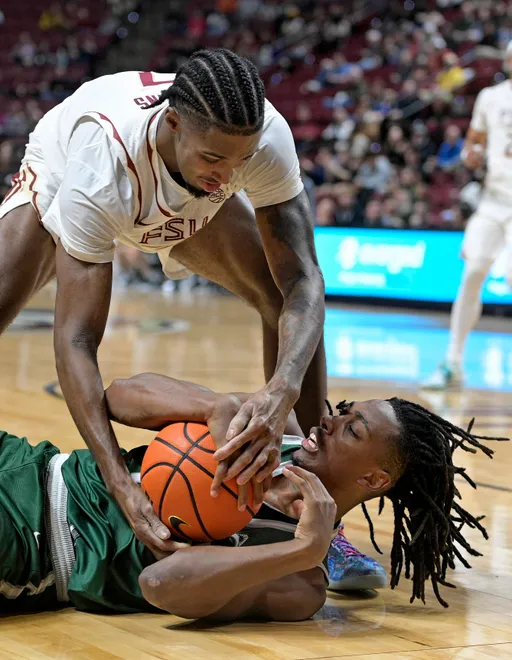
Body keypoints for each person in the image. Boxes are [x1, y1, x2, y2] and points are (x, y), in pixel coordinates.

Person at [0, 49, 326, 555]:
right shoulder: (99, 167)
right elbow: (76, 341)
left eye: (241, 158)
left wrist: (281, 392)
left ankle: (312, 499)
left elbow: (305, 284)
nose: (228, 174)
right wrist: (120, 482)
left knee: (284, 301)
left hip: (180, 190)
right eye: (215, 158)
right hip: (74, 167)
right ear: (173, 123)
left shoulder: (261, 141)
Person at [1, 373, 504, 619]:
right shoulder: (270, 428)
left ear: (374, 481)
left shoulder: (300, 580)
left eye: (351, 430)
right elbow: (119, 395)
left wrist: (304, 548)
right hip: (28, 461)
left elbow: (161, 584)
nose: (329, 420)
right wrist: (214, 406)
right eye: (343, 411)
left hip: (34, 545)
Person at [422, 42, 512, 390]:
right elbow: (473, 142)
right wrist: (472, 153)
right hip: (493, 199)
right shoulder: (490, 97)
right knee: (473, 271)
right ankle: (453, 363)